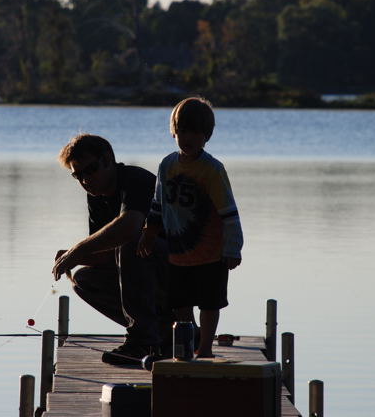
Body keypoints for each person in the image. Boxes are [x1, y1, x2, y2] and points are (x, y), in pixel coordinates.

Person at [52, 134, 171, 365]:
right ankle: (164, 332)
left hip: (179, 269)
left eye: (90, 170)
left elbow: (130, 227)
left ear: (108, 159)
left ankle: (142, 341)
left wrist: (78, 250)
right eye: (77, 175)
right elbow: (108, 255)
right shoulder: (96, 195)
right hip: (145, 273)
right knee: (84, 279)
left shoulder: (135, 179)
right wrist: (76, 257)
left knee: (132, 242)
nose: (85, 180)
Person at [138, 97, 243, 358]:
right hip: (178, 252)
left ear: (206, 135)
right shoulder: (167, 165)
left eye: (195, 132)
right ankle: (189, 341)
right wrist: (149, 233)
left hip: (211, 252)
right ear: (174, 131)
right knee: (180, 303)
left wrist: (233, 248)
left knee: (210, 302)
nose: (188, 137)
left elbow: (229, 212)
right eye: (182, 130)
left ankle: (205, 347)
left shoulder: (212, 170)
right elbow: (157, 204)